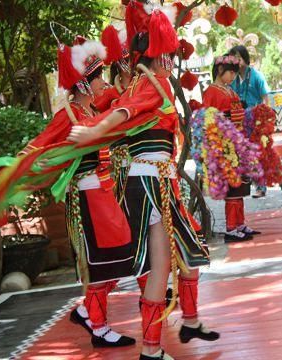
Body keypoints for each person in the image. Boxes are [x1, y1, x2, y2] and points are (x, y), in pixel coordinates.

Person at [68, 9, 218, 359]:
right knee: (167, 264)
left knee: (179, 259)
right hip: (154, 188)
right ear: (160, 55)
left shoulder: (135, 85)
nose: (173, 61)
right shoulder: (153, 83)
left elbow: (117, 113)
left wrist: (96, 128)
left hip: (151, 184)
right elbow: (122, 114)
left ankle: (184, 325)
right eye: (170, 54)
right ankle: (153, 347)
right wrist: (93, 131)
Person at [23, 37, 136, 348]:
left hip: (103, 193)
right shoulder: (69, 115)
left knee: (120, 254)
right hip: (87, 198)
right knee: (102, 261)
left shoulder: (89, 113)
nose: (102, 82)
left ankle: (88, 310)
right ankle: (98, 326)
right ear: (84, 84)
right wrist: (19, 169)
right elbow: (40, 145)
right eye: (98, 77)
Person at [201, 55, 261, 242]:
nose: (234, 76)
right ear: (220, 71)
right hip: (225, 143)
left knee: (241, 185)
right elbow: (208, 119)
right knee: (233, 188)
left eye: (235, 73)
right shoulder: (211, 91)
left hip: (237, 142)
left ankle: (240, 223)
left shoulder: (229, 90)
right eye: (231, 72)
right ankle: (231, 227)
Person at [228, 45, 282, 198]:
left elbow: (265, 98)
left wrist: (266, 121)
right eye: (234, 58)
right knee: (252, 156)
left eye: (239, 57)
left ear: (245, 58)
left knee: (267, 154)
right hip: (241, 123)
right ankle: (260, 186)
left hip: (257, 122)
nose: (236, 61)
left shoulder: (256, 76)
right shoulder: (232, 79)